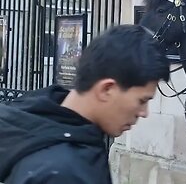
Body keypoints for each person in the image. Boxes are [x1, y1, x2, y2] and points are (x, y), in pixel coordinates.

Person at [0, 24, 170, 184]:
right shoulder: (63, 172)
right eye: (142, 101)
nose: (144, 113)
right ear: (106, 89)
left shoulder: (65, 133)